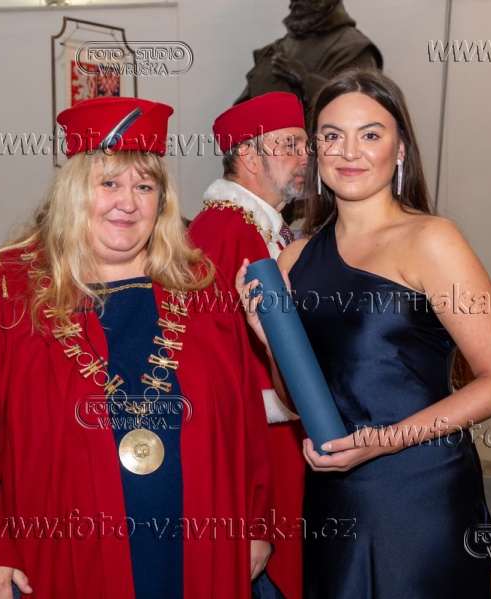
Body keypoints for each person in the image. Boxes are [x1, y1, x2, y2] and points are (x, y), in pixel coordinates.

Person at [0, 96, 273, 599]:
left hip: (199, 549)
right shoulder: (3, 289)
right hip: (64, 553)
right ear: (73, 191)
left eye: (144, 186)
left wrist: (256, 523)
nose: (127, 202)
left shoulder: (201, 284)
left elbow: (245, 418)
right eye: (108, 183)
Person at [237, 68, 491, 598]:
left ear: (400, 150)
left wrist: (381, 442)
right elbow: (297, 402)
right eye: (332, 136)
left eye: (370, 134)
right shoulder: (296, 258)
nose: (349, 151)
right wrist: (270, 339)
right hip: (334, 493)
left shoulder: (432, 240)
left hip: (420, 492)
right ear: (316, 152)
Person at [187, 91, 308, 599]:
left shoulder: (268, 230)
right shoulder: (224, 231)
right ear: (249, 156)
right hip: (255, 456)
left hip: (280, 444)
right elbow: (209, 377)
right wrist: (246, 516)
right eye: (290, 145)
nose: (306, 157)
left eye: (305, 145)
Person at [236, 0, 382, 116]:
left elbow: (362, 110)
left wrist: (305, 79)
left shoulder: (354, 47)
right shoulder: (277, 48)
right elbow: (240, 112)